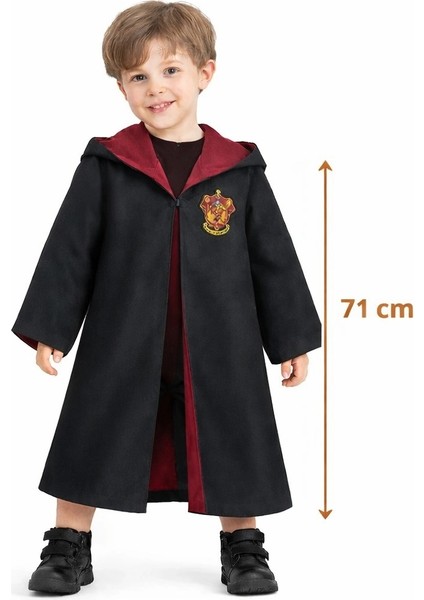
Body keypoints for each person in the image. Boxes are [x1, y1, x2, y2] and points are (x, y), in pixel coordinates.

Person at [12, 1, 321, 595]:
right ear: (122, 88)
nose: (156, 88)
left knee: (233, 431)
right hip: (123, 333)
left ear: (205, 73)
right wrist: (51, 326)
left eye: (171, 70)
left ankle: (243, 548)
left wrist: (290, 338)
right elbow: (71, 247)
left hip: (221, 338)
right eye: (139, 76)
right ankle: (69, 544)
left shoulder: (238, 170)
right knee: (93, 426)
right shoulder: (107, 164)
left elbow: (273, 258)